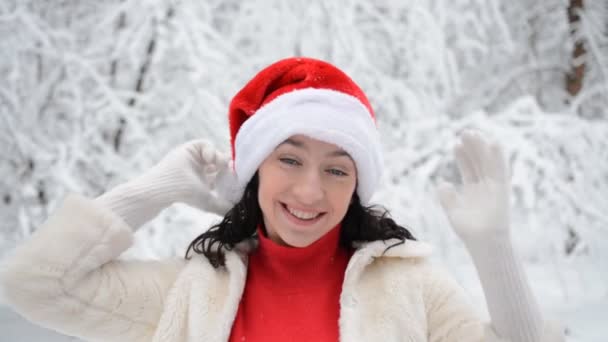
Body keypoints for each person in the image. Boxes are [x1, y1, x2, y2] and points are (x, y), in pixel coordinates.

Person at [0, 57, 563, 342]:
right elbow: (35, 285)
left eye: (337, 170)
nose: (310, 191)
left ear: (358, 187)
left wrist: (495, 250)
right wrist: (159, 188)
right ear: (255, 170)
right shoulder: (195, 291)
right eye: (288, 159)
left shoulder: (409, 286)